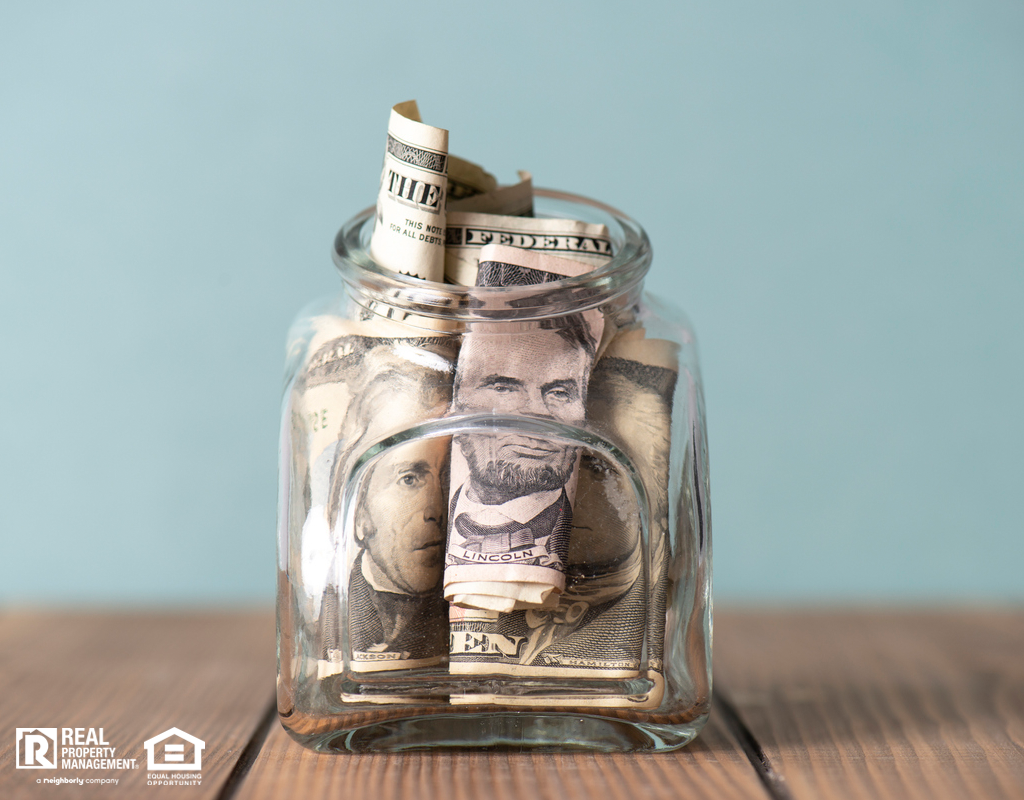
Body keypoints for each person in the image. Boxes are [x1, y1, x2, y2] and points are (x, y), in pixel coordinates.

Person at [447, 319, 596, 562]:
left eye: (559, 393)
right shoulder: (426, 510)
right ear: (455, 407)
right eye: (504, 388)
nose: (540, 413)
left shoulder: (606, 540)